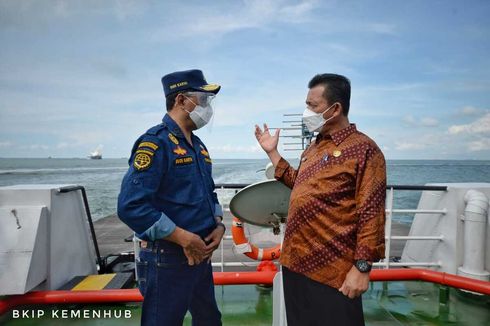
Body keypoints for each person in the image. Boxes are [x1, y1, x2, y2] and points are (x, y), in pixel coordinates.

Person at [255, 73, 386, 325]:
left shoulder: (365, 150)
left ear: (335, 108)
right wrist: (273, 153)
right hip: (295, 263)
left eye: (312, 106)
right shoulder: (313, 147)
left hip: (332, 271)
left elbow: (371, 214)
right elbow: (301, 184)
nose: (306, 111)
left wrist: (362, 268)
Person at [118, 69, 225, 326]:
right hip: (167, 258)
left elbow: (207, 192)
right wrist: (184, 238)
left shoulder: (198, 146)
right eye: (203, 99)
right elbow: (131, 206)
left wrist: (219, 224)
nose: (207, 107)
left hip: (200, 254)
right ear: (181, 101)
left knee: (209, 320)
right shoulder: (156, 143)